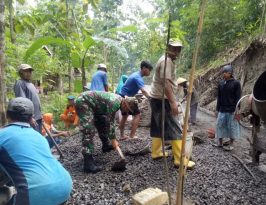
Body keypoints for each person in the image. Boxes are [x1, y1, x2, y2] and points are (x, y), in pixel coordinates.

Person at [0, 97, 72, 205]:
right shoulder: (39, 137)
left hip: (35, 193)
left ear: (7, 115)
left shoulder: (2, 135)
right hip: (64, 186)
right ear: (31, 117)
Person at [149, 40, 195, 169]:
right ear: (168, 48)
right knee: (175, 128)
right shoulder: (166, 61)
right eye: (174, 49)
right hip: (162, 99)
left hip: (155, 98)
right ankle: (180, 160)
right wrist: (173, 102)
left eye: (178, 49)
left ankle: (156, 152)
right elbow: (166, 83)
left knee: (158, 127)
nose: (176, 52)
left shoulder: (165, 60)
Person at [75, 91, 139, 173]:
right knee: (89, 130)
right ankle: (88, 163)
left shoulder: (119, 101)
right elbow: (110, 123)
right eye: (127, 110)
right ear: (124, 104)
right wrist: (113, 140)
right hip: (84, 102)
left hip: (96, 106)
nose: (127, 112)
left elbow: (108, 122)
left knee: (102, 121)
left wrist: (113, 140)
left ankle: (106, 145)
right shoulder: (114, 103)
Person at [119, 61, 153, 139]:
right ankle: (132, 135)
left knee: (125, 116)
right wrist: (150, 98)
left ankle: (121, 136)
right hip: (127, 98)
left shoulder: (135, 74)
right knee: (137, 115)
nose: (150, 72)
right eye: (149, 70)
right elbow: (144, 91)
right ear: (144, 68)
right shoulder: (138, 77)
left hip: (122, 96)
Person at [215, 64, 241, 149]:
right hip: (222, 109)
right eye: (223, 72)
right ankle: (220, 142)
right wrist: (217, 109)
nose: (224, 74)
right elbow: (219, 97)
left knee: (232, 127)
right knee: (220, 125)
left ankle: (231, 144)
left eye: (226, 72)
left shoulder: (236, 83)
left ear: (230, 73)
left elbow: (238, 97)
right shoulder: (221, 83)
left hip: (232, 109)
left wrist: (237, 110)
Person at [14, 64, 42, 133]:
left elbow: (36, 100)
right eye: (26, 71)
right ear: (21, 72)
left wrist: (41, 114)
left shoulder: (30, 84)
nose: (28, 73)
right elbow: (22, 102)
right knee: (33, 139)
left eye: (30, 71)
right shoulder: (20, 83)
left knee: (38, 137)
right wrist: (29, 117)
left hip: (37, 117)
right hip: (31, 119)